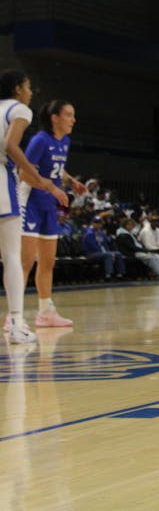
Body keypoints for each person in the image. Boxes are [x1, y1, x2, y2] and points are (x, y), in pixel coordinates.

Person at [0, 71, 69, 343]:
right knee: (13, 258)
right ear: (18, 89)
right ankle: (16, 322)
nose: (31, 92)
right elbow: (10, 145)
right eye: (29, 87)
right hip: (4, 183)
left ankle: (37, 311)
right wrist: (41, 179)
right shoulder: (20, 110)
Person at [19, 100, 88, 328]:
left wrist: (70, 181)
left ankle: (45, 312)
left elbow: (57, 168)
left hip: (49, 205)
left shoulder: (64, 141)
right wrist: (53, 187)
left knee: (47, 262)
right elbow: (24, 173)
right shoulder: (40, 140)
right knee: (25, 262)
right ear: (55, 118)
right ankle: (14, 316)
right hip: (29, 202)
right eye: (69, 115)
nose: (73, 120)